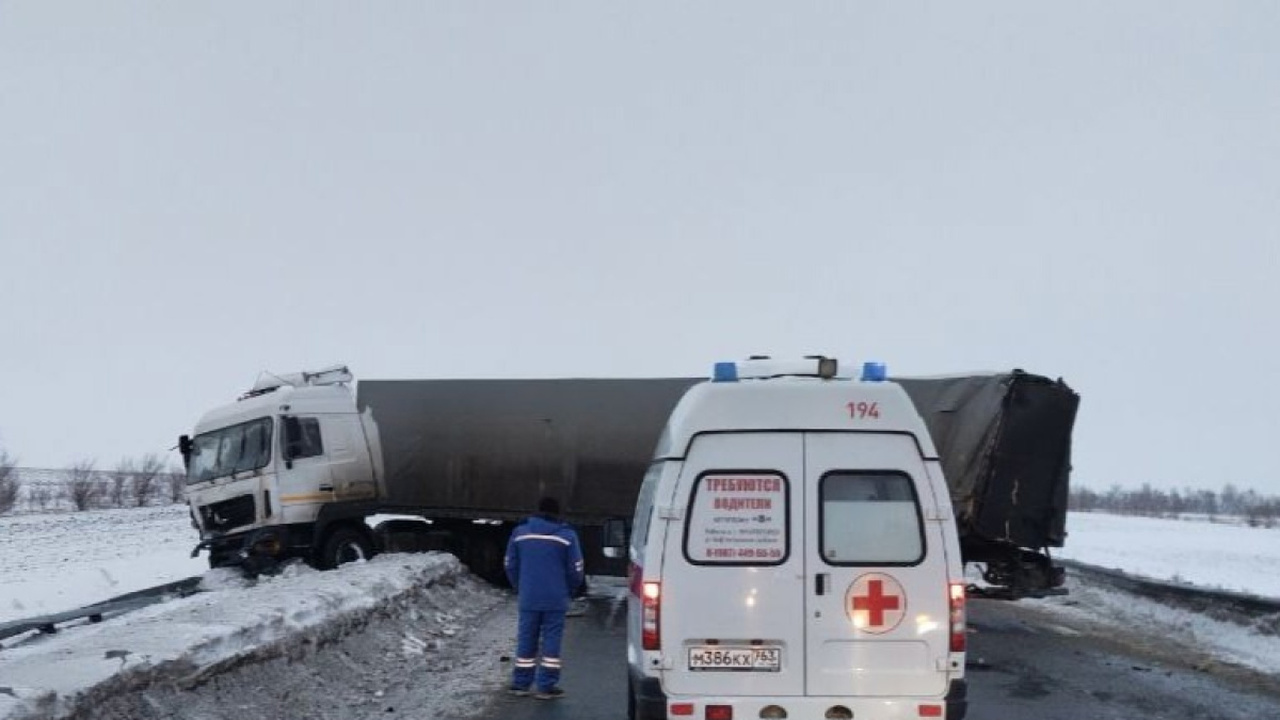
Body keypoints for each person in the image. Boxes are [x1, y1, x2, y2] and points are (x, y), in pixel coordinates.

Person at [505, 496, 585, 700]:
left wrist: (519, 586)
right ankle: (546, 686)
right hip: (556, 597)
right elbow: (576, 569)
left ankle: (520, 684)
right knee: (552, 639)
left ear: (537, 511)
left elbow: (510, 564)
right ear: (557, 514)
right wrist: (570, 589)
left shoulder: (520, 533)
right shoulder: (567, 535)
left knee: (526, 637)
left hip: (529, 595)